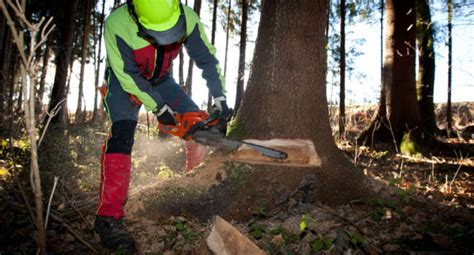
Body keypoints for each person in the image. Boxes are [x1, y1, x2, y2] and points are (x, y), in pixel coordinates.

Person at [94, 0, 231, 251]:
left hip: (162, 80)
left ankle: (194, 190)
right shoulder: (117, 23)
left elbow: (207, 59)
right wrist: (159, 108)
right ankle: (108, 217)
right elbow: (128, 76)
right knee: (122, 136)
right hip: (122, 82)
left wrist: (220, 98)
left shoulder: (187, 18)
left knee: (196, 123)